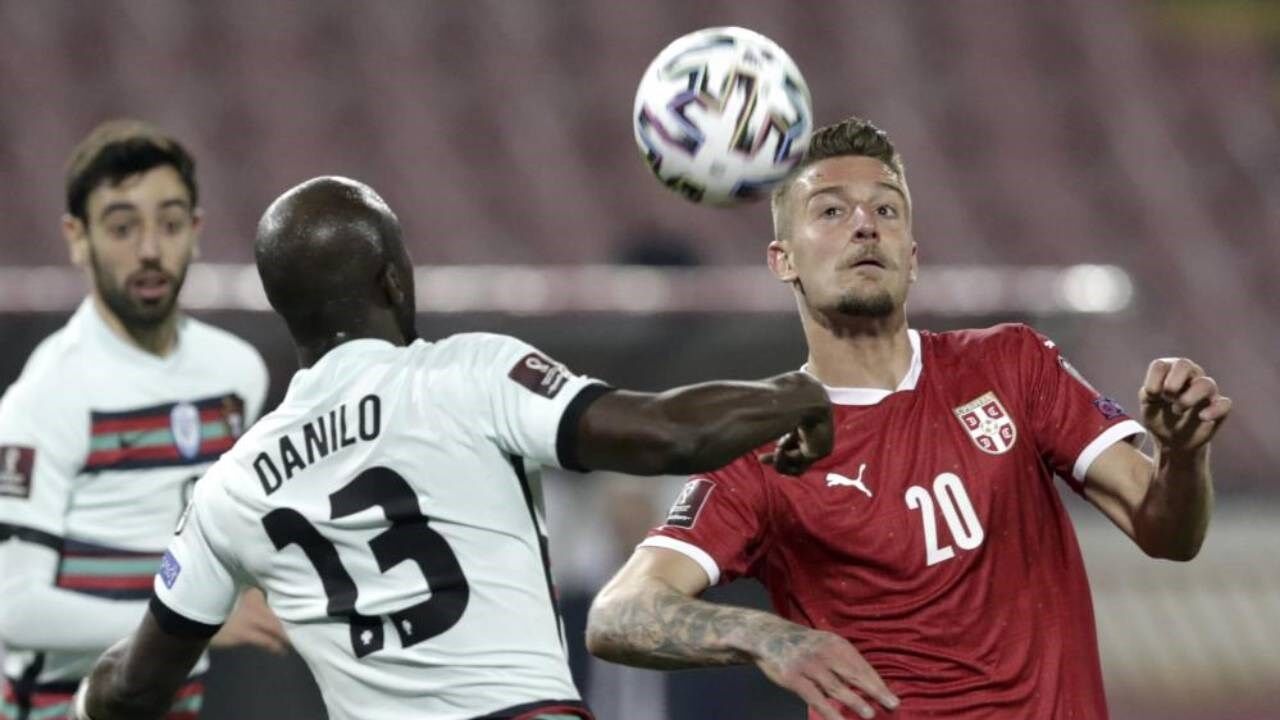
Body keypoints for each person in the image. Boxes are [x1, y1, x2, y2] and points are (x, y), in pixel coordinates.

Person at [72, 175, 836, 720]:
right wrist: (798, 394)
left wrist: (77, 703)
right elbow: (667, 434)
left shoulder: (231, 488)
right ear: (393, 281)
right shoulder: (469, 373)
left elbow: (134, 686)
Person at [585, 116, 1232, 720]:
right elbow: (617, 612)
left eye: (886, 209)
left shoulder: (1012, 364)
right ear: (784, 260)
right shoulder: (764, 450)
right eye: (831, 211)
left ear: (912, 256)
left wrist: (1181, 455)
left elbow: (1170, 534)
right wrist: (766, 636)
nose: (865, 225)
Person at [0, 120, 287, 720]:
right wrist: (190, 622)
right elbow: (13, 609)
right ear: (77, 238)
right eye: (123, 227)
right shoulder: (47, 398)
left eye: (170, 224)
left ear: (197, 232)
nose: (151, 249)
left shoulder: (235, 374)